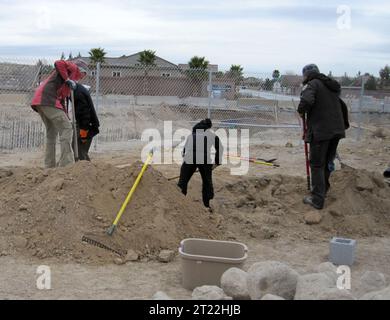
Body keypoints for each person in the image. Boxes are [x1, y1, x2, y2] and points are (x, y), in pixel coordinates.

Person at [298, 64, 348, 210]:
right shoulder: (330, 85)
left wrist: (301, 111)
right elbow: (341, 105)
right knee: (326, 162)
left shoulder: (312, 84)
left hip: (322, 131)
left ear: (307, 75)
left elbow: (307, 101)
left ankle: (317, 199)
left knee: (317, 164)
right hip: (336, 130)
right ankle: (323, 190)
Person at [31, 59, 89, 168]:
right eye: (84, 73)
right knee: (67, 128)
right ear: (81, 71)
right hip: (48, 99)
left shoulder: (70, 83)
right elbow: (59, 63)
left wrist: (66, 116)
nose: (83, 77)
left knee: (51, 133)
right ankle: (66, 164)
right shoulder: (73, 68)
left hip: (41, 100)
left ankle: (49, 165)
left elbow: (62, 100)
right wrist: (67, 79)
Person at [178, 118, 223, 209]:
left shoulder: (191, 135)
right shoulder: (211, 135)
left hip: (189, 158)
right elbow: (220, 148)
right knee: (207, 182)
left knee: (182, 181)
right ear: (209, 127)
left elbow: (183, 152)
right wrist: (217, 163)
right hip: (204, 160)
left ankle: (179, 201)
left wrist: (190, 164)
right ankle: (208, 204)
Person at [72, 83, 100, 161]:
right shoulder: (75, 90)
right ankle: (84, 166)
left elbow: (85, 114)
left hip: (86, 125)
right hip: (84, 123)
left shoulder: (77, 93)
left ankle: (85, 168)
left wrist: (84, 134)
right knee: (77, 147)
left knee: (78, 147)